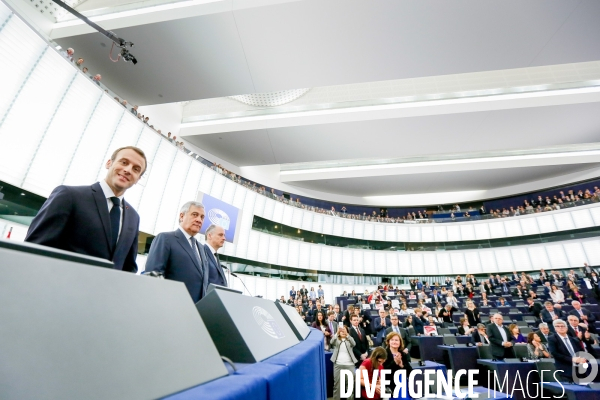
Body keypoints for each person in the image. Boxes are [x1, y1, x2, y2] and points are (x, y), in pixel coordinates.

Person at [25, 146, 146, 273]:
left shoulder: (134, 217)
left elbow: (128, 267)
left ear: (138, 179)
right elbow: (35, 248)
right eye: (124, 162)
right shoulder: (69, 196)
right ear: (109, 163)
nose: (128, 170)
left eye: (136, 169)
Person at [144, 202, 210, 302]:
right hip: (172, 307)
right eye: (195, 215)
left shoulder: (202, 248)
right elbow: (153, 276)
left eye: (202, 217)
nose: (199, 220)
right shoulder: (165, 238)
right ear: (182, 216)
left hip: (198, 311)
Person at [330, 325, 357, 400]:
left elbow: (354, 344)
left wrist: (347, 335)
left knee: (350, 386)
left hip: (350, 365)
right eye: (341, 330)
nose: (342, 331)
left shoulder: (350, 339)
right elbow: (331, 342)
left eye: (344, 330)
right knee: (337, 385)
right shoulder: (336, 340)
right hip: (338, 365)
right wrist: (337, 333)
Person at [382, 332, 412, 399]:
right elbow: (383, 372)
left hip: (403, 384)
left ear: (400, 342)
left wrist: (402, 365)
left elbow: (410, 372)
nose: (394, 342)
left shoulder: (403, 354)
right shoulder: (384, 354)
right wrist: (395, 362)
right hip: (391, 385)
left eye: (396, 340)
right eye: (392, 340)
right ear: (388, 341)